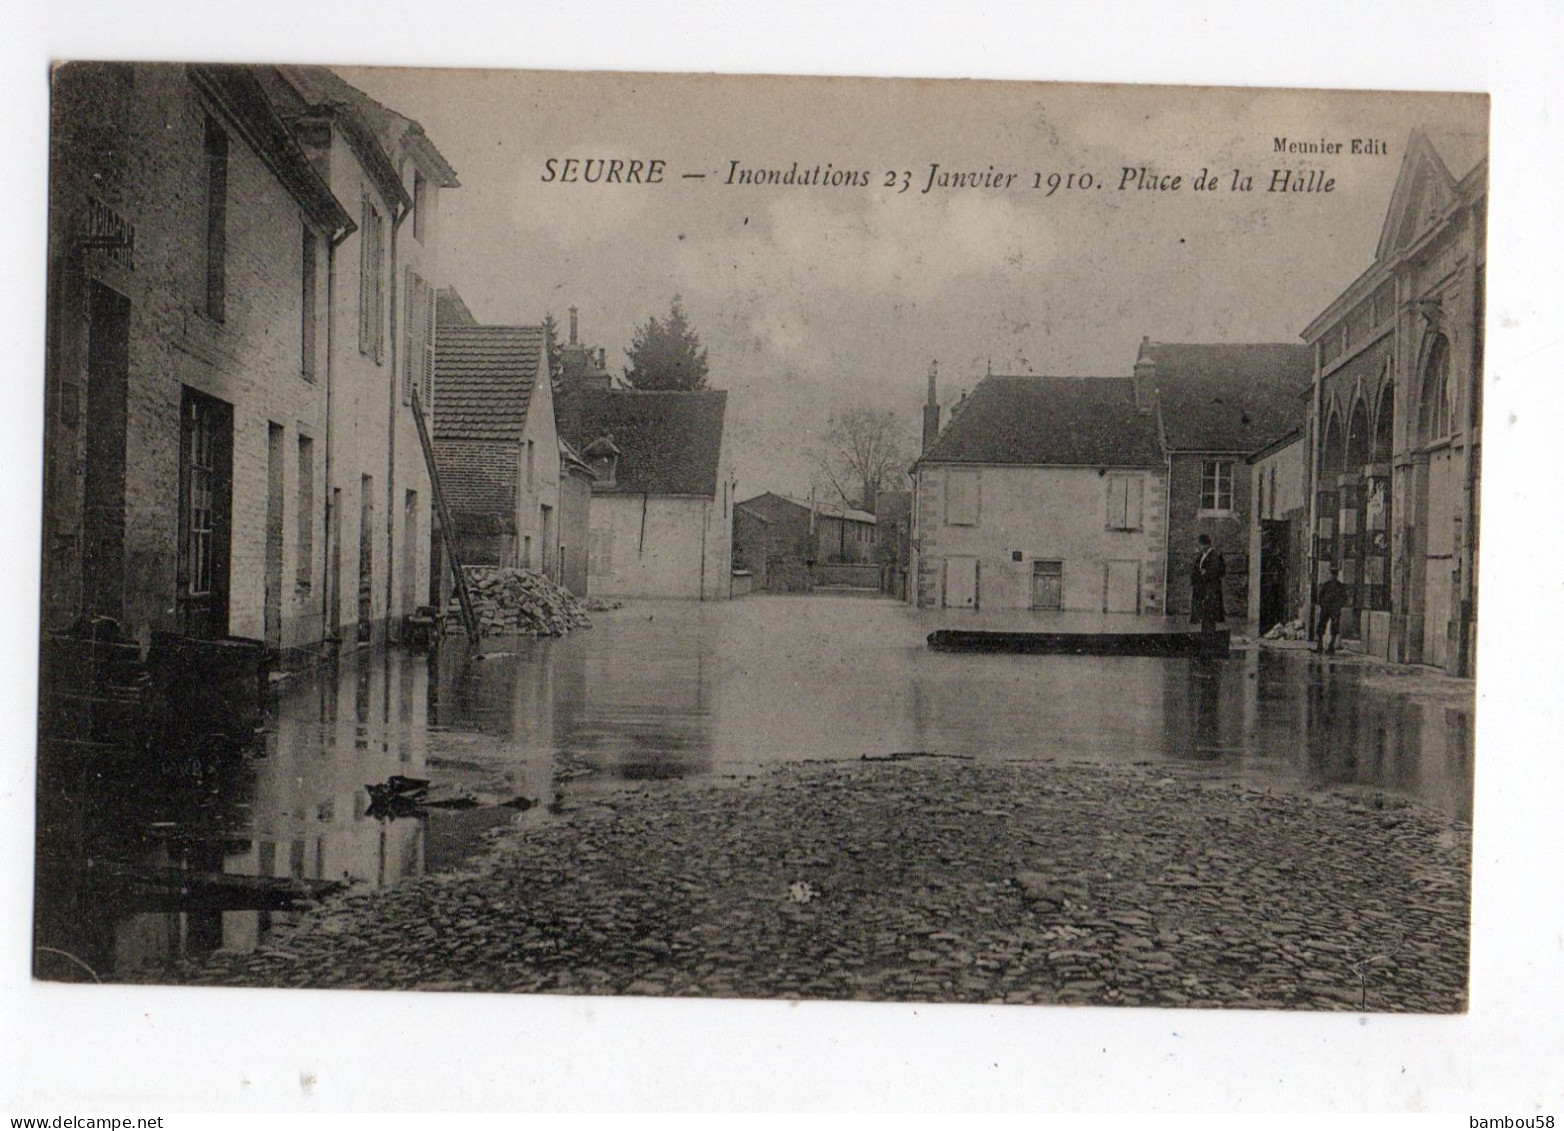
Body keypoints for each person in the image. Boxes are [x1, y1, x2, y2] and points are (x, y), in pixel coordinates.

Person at [1189, 533, 1227, 636]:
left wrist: (1206, 572)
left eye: (1200, 545)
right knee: (1203, 614)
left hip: (1211, 590)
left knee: (1210, 614)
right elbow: (1195, 570)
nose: (1199, 547)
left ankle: (1210, 636)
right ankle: (1205, 634)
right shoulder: (1201, 556)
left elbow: (1219, 571)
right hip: (1201, 589)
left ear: (1205, 544)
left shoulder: (1215, 555)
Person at [1315, 563, 1348, 653]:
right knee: (1321, 625)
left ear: (1336, 575)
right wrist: (1322, 605)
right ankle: (1319, 645)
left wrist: (1339, 606)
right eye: (1332, 574)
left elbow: (1344, 598)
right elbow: (1320, 596)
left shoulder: (1340, 586)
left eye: (1335, 574)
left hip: (1335, 609)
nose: (1333, 576)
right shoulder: (1326, 585)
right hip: (1325, 608)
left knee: (1334, 627)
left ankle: (1331, 645)